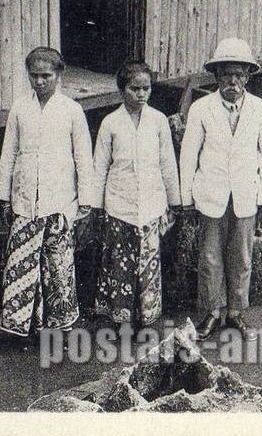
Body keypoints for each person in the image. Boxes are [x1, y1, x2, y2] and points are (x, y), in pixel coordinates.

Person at [179, 37, 262, 341]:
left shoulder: (261, 109)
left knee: (242, 257)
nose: (232, 81)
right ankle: (212, 312)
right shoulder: (201, 109)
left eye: (238, 74)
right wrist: (186, 201)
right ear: (216, 76)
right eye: (226, 75)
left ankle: (235, 312)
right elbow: (188, 156)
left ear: (247, 76)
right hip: (210, 194)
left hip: (246, 195)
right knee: (210, 258)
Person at [0, 47, 95, 337]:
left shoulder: (71, 110)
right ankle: (25, 324)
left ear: (59, 74)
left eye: (46, 76)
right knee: (21, 266)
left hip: (60, 202)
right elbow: (8, 154)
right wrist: (4, 197)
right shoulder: (19, 109)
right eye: (34, 76)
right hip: (25, 202)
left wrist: (85, 203)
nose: (39, 81)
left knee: (57, 268)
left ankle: (59, 325)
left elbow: (83, 159)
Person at [93, 61, 182, 331]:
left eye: (146, 88)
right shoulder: (111, 123)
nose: (141, 94)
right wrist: (96, 206)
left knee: (148, 263)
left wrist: (174, 201)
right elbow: (100, 167)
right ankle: (121, 321)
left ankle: (147, 319)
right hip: (119, 204)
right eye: (135, 89)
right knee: (120, 266)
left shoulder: (158, 121)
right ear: (122, 90)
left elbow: (167, 163)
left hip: (151, 204)